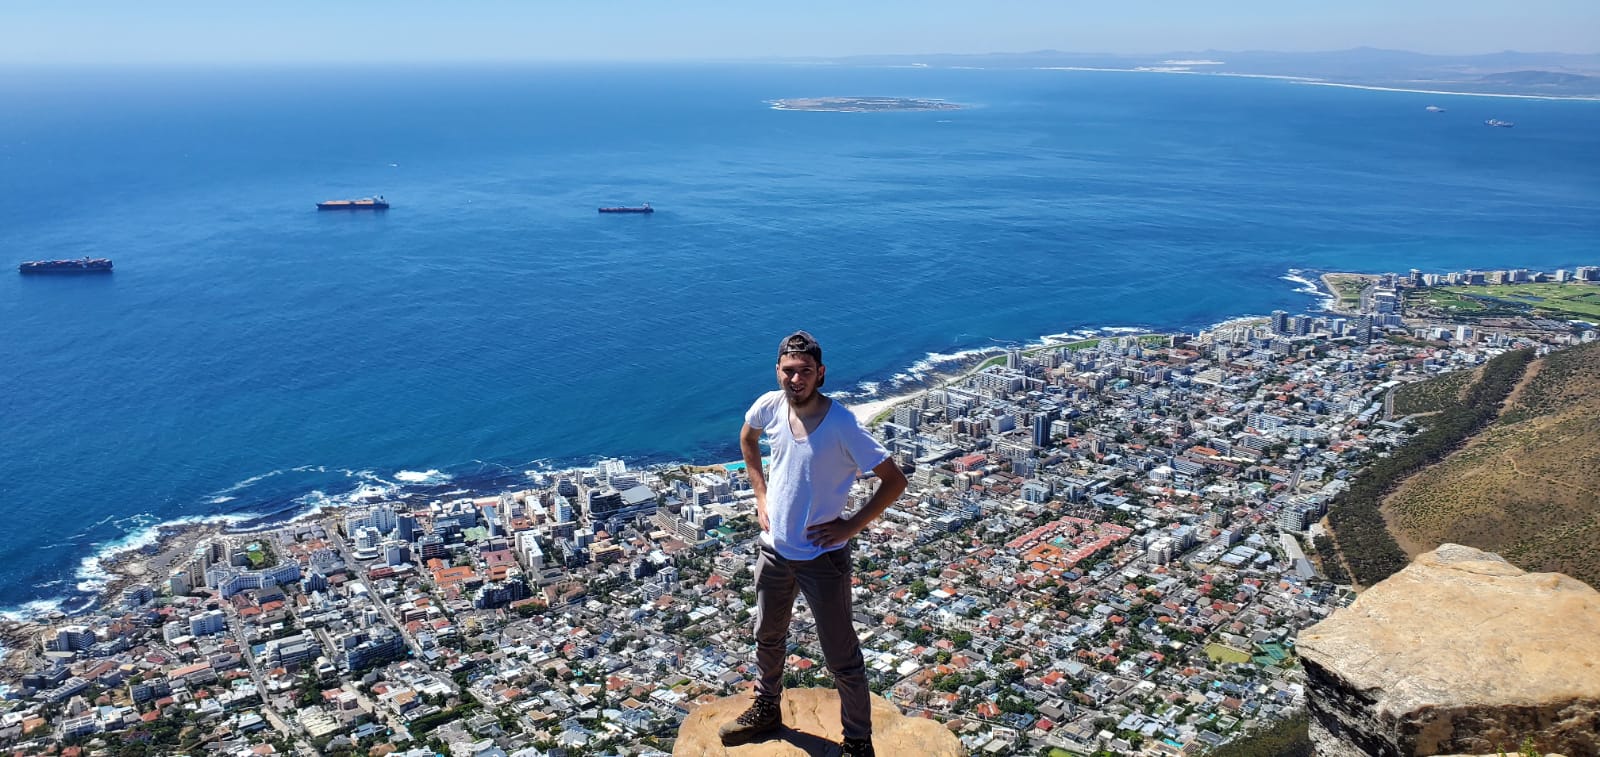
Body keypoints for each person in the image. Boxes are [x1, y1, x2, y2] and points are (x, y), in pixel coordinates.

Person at [719, 330, 908, 757]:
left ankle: (858, 742)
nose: (795, 379)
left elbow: (895, 481)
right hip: (774, 549)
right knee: (767, 636)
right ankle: (767, 707)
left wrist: (850, 526)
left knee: (841, 656)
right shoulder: (769, 405)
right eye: (789, 371)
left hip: (822, 557)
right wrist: (760, 493)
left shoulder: (842, 424)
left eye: (805, 371)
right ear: (778, 372)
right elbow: (747, 439)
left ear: (821, 374)